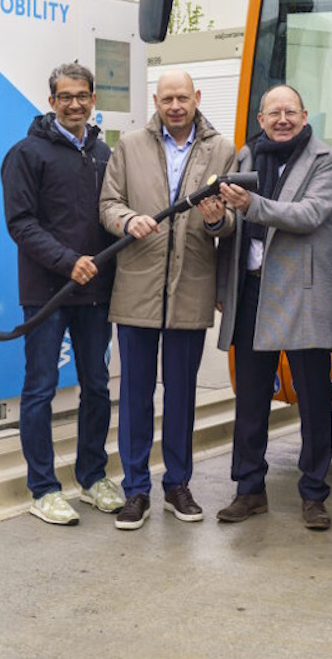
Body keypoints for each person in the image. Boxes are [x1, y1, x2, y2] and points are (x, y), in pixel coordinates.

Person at [98, 71, 235, 530]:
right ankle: (135, 490)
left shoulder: (223, 150)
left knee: (181, 396)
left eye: (183, 97)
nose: (175, 105)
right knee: (135, 396)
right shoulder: (131, 146)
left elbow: (232, 221)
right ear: (155, 100)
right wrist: (128, 219)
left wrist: (217, 222)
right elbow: (108, 203)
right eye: (167, 98)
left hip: (191, 287)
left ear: (197, 97)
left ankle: (178, 483)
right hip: (137, 287)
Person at [214, 85, 332, 531]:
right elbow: (233, 227)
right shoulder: (245, 157)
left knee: (313, 399)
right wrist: (219, 218)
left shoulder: (328, 160)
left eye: (291, 112)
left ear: (305, 116)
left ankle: (313, 494)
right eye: (274, 113)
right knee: (251, 398)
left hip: (302, 294)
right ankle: (249, 490)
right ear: (262, 119)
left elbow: (310, 215)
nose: (283, 119)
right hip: (251, 290)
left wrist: (251, 205)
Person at [0, 62, 125, 526]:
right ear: (51, 102)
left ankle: (93, 478)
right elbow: (21, 224)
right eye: (65, 97)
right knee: (41, 389)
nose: (75, 104)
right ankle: (44, 488)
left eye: (82, 96)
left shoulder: (104, 154)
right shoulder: (26, 154)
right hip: (48, 292)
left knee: (96, 385)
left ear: (93, 100)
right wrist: (67, 261)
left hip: (96, 292)